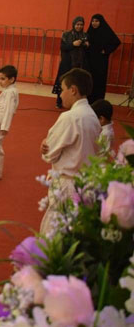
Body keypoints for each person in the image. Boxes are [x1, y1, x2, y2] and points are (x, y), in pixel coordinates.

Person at [40, 68, 101, 235]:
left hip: (68, 184)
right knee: (77, 233)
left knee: (54, 234)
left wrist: (45, 146)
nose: (60, 95)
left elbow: (50, 153)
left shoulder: (70, 117)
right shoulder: (92, 116)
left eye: (62, 89)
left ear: (73, 90)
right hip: (87, 183)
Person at [52, 16, 89, 109]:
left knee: (76, 83)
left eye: (81, 25)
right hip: (67, 63)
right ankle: (59, 101)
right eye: (77, 24)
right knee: (64, 81)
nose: (79, 26)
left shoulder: (85, 35)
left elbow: (87, 51)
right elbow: (63, 47)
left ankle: (74, 103)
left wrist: (86, 45)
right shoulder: (66, 34)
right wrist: (73, 44)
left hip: (79, 64)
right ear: (73, 24)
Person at [86, 14, 121, 104]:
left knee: (99, 81)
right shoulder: (89, 32)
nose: (94, 23)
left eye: (96, 21)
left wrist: (106, 51)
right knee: (90, 80)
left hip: (101, 61)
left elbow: (117, 42)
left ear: (101, 22)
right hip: (90, 60)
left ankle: (98, 101)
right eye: (93, 21)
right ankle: (89, 100)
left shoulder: (106, 31)